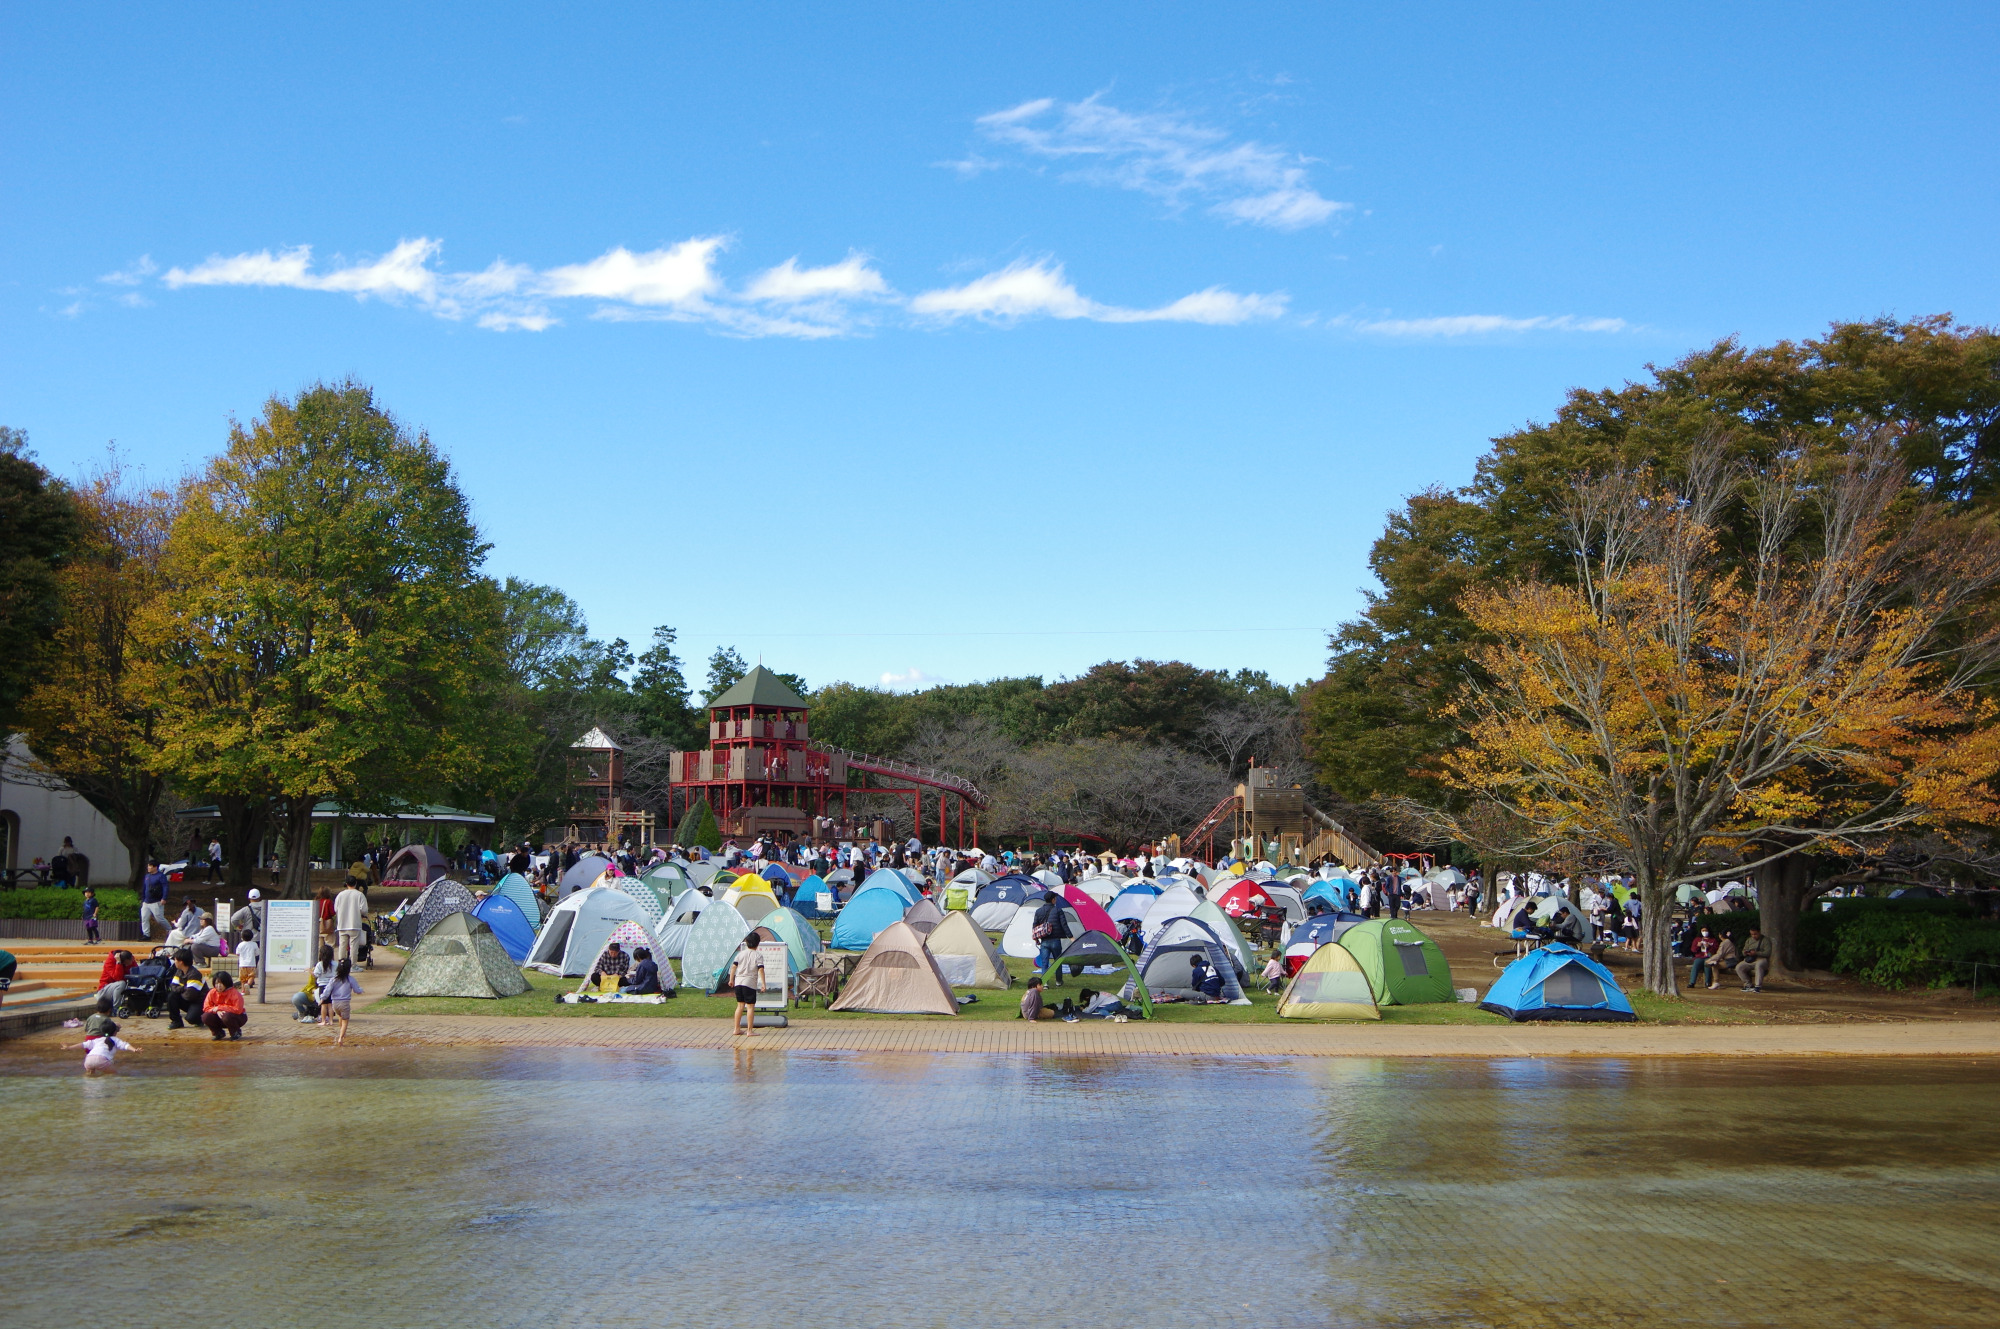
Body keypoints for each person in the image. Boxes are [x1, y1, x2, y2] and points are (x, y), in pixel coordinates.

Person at [729, 932, 766, 1037]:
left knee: (740, 1005)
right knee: (750, 1007)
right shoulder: (758, 955)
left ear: (746, 942)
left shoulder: (740, 954)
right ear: (758, 943)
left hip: (738, 982)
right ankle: (749, 1031)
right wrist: (763, 983)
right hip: (749, 983)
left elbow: (733, 967)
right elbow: (761, 969)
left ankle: (736, 1029)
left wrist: (731, 979)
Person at [320, 959, 362, 1046]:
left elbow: (327, 990)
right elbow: (357, 990)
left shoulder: (333, 979)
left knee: (340, 1016)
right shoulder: (350, 979)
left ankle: (342, 1032)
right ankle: (340, 1038)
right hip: (345, 1003)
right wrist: (361, 990)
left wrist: (322, 998)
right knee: (345, 1021)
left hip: (335, 1004)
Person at [164, 952, 206, 1031]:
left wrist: (180, 989)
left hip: (198, 1002)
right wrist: (184, 988)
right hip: (187, 998)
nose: (174, 961)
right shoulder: (179, 971)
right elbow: (172, 986)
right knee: (171, 996)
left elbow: (190, 995)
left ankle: (200, 1018)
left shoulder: (194, 974)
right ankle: (176, 1021)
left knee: (191, 1019)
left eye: (176, 960)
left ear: (181, 962)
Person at [293, 945, 336, 1022]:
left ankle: (322, 1019)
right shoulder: (336, 964)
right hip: (331, 989)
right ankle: (330, 1019)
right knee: (329, 1005)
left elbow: (315, 974)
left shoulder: (319, 964)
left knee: (323, 1004)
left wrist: (309, 970)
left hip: (322, 989)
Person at [201, 971, 247, 1041]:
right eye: (216, 983)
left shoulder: (234, 993)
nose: (219, 986)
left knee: (226, 1016)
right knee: (205, 1016)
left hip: (237, 1017)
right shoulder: (212, 992)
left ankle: (235, 1032)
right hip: (219, 1016)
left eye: (221, 983)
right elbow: (206, 1007)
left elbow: (238, 1009)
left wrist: (220, 1008)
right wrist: (217, 1010)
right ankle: (218, 1033)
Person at [1031, 891, 1070, 973]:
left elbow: (1035, 927)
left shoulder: (1039, 911)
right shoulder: (1058, 910)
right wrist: (1071, 937)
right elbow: (1064, 924)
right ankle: (1058, 981)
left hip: (1044, 940)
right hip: (1056, 940)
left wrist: (1036, 939)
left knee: (1044, 963)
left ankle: (1044, 982)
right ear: (1053, 899)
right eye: (1055, 899)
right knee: (1057, 962)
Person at [333, 879, 368, 965]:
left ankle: (341, 963)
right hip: (354, 924)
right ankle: (353, 965)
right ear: (356, 883)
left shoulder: (340, 895)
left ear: (346, 884)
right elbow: (364, 910)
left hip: (342, 924)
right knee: (354, 946)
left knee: (342, 945)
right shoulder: (360, 895)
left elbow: (335, 909)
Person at [137, 861, 170, 939]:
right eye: (148, 866)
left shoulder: (160, 876)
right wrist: (143, 898)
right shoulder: (147, 876)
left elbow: (165, 887)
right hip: (146, 901)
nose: (148, 868)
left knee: (159, 918)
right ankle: (146, 934)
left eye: (150, 866)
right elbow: (145, 888)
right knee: (144, 918)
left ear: (155, 867)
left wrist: (164, 898)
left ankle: (170, 930)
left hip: (156, 901)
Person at [1737, 927, 1772, 992]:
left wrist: (1756, 953)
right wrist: (1746, 953)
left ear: (1759, 932)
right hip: (1751, 959)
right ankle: (1748, 984)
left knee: (1758, 966)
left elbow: (1768, 953)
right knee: (1739, 967)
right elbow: (1744, 950)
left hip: (1761, 959)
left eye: (1755, 934)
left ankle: (1758, 986)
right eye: (1752, 934)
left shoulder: (1765, 940)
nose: (1753, 936)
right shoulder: (1749, 940)